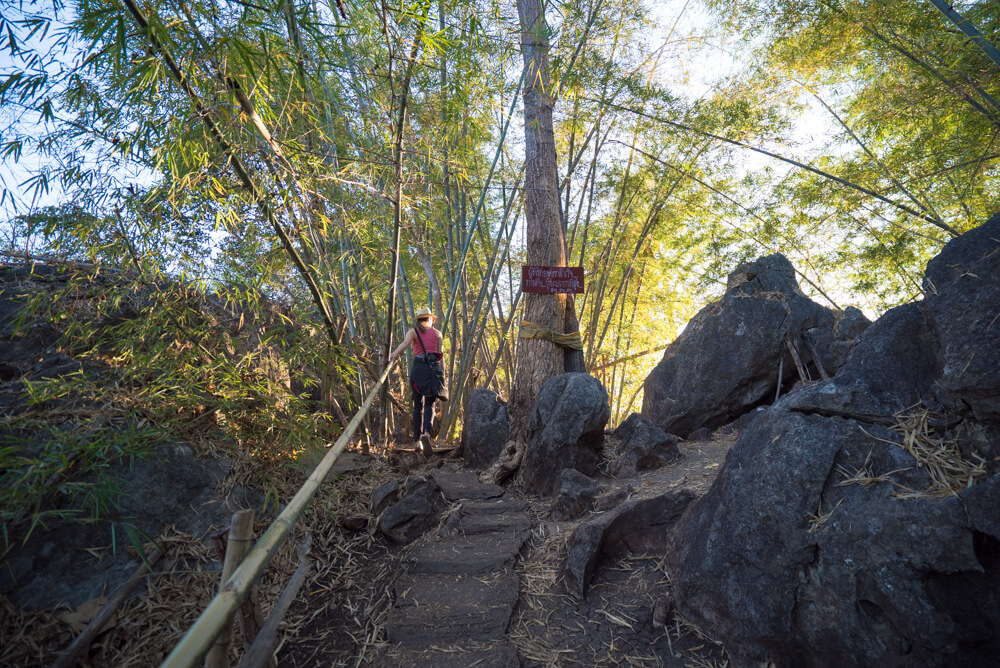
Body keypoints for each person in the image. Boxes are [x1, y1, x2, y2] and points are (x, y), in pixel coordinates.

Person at [388, 307, 444, 456]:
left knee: (417, 405)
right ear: (429, 319)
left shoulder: (413, 332)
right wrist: (441, 376)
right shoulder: (438, 334)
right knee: (430, 404)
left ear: (419, 320)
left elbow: (405, 344)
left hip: (418, 368)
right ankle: (427, 433)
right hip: (433, 369)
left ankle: (418, 440)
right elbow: (440, 355)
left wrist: (393, 354)